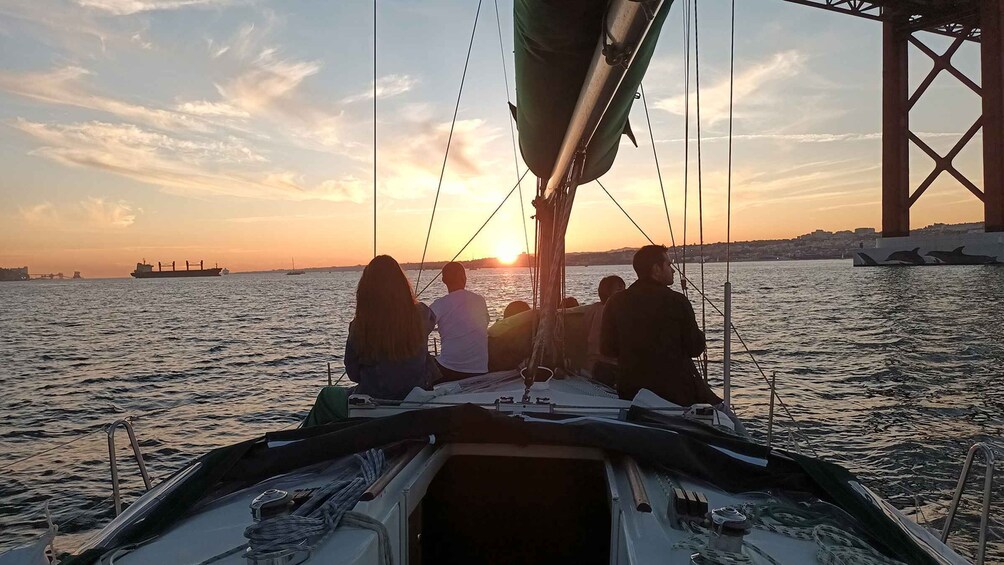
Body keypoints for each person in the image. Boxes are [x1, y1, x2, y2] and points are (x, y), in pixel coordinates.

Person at [601, 245, 722, 406]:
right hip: (676, 393)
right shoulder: (677, 301)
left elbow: (607, 349)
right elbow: (695, 348)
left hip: (631, 392)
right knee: (728, 419)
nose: (673, 271)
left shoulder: (615, 302)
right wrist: (700, 336)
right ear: (656, 269)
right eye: (669, 265)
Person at [345, 255, 438, 400]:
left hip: (375, 397)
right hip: (417, 392)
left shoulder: (359, 326)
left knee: (326, 397)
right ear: (402, 284)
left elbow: (353, 373)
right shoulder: (422, 314)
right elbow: (431, 322)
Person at [430, 262, 489, 382]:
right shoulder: (479, 300)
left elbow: (420, 330)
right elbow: (485, 323)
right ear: (464, 277)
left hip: (450, 369)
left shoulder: (439, 304)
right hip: (480, 369)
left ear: (443, 280)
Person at [582, 275, 625, 386]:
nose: (625, 294)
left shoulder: (592, 310)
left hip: (591, 365)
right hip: (609, 369)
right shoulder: (618, 313)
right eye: (620, 290)